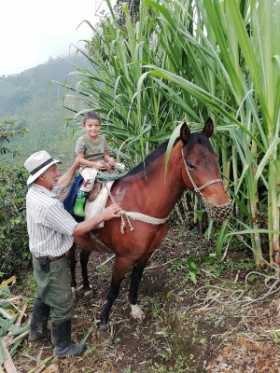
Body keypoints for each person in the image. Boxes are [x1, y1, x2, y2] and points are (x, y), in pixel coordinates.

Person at [24, 150, 121, 358]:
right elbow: (76, 230)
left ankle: (36, 331)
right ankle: (63, 347)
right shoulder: (48, 205)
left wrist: (76, 165)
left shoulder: (35, 191)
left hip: (39, 258)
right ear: (42, 176)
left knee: (43, 292)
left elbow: (60, 184)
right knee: (62, 303)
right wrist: (103, 215)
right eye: (53, 171)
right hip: (53, 262)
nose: (57, 173)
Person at [73, 111, 124, 218]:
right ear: (84, 126)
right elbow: (79, 160)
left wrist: (110, 160)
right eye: (90, 125)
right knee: (89, 179)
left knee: (121, 168)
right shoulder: (82, 140)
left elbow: (105, 155)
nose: (93, 128)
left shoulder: (102, 138)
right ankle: (79, 204)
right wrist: (94, 164)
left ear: (100, 126)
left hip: (102, 163)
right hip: (87, 166)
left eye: (96, 125)